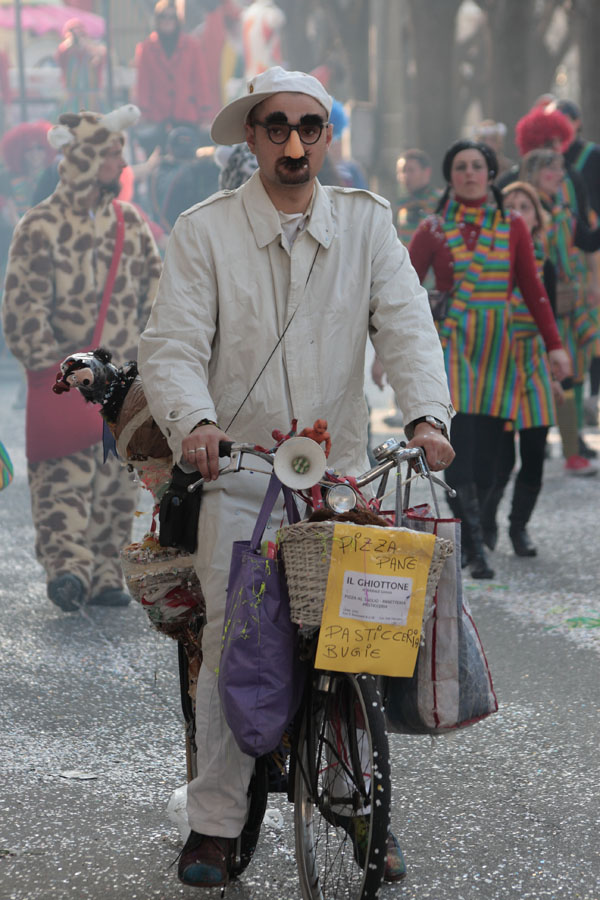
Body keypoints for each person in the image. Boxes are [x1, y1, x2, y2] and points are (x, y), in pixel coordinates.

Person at [138, 66, 455, 889]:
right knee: (233, 644)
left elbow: (406, 323)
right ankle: (214, 824)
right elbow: (172, 345)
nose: (293, 143)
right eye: (275, 126)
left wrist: (427, 417)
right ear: (252, 135)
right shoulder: (204, 232)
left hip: (339, 473)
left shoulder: (366, 223)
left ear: (326, 136)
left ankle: (360, 803)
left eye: (309, 127)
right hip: (239, 472)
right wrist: (195, 424)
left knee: (363, 638)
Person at [1, 105, 162, 612]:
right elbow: (21, 306)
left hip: (120, 385)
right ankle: (67, 568)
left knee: (116, 483)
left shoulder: (132, 225)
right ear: (87, 158)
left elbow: (156, 300)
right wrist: (53, 368)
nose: (123, 163)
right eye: (113, 153)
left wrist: (142, 367)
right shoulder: (39, 226)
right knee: (60, 479)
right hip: (62, 380)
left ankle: (106, 569)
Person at [408, 140, 570, 579]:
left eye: (477, 166)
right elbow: (402, 290)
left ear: (491, 174)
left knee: (492, 458)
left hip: (500, 350)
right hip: (453, 348)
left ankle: (474, 533)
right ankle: (474, 546)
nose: (469, 173)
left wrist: (555, 345)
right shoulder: (433, 229)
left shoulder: (513, 225)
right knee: (460, 446)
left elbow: (533, 289)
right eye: (460, 166)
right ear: (450, 176)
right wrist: (387, 352)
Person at [481, 182, 560, 556]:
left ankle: (519, 528)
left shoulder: (546, 265)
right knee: (500, 459)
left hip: (534, 364)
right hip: (497, 365)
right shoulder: (487, 263)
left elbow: (551, 322)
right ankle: (486, 525)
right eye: (509, 206)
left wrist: (556, 375)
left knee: (534, 454)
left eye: (524, 206)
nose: (516, 212)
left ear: (536, 218)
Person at [520, 148, 600, 476]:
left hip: (568, 303)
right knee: (541, 375)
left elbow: (587, 242)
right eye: (552, 169)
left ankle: (571, 448)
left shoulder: (563, 211)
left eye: (561, 169)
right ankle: (537, 446)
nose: (560, 175)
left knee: (573, 371)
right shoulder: (525, 208)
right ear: (535, 173)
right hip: (533, 304)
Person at [557, 99, 600, 428]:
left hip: (585, 257)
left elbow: (588, 232)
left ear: (577, 122)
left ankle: (591, 398)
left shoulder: (591, 157)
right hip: (557, 264)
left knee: (587, 335)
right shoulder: (539, 164)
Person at [133, 0, 210, 155]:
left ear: (177, 20)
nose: (167, 21)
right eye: (163, 17)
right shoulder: (146, 48)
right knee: (158, 158)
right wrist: (144, 111)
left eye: (171, 17)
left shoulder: (192, 46)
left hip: (186, 113)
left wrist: (205, 112)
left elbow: (200, 81)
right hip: (158, 115)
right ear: (157, 19)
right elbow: (143, 83)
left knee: (187, 157)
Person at [56, 18, 106, 114]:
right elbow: (60, 56)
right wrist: (70, 44)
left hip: (91, 98)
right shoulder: (65, 50)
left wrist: (88, 48)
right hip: (71, 97)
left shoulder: (91, 49)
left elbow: (100, 58)